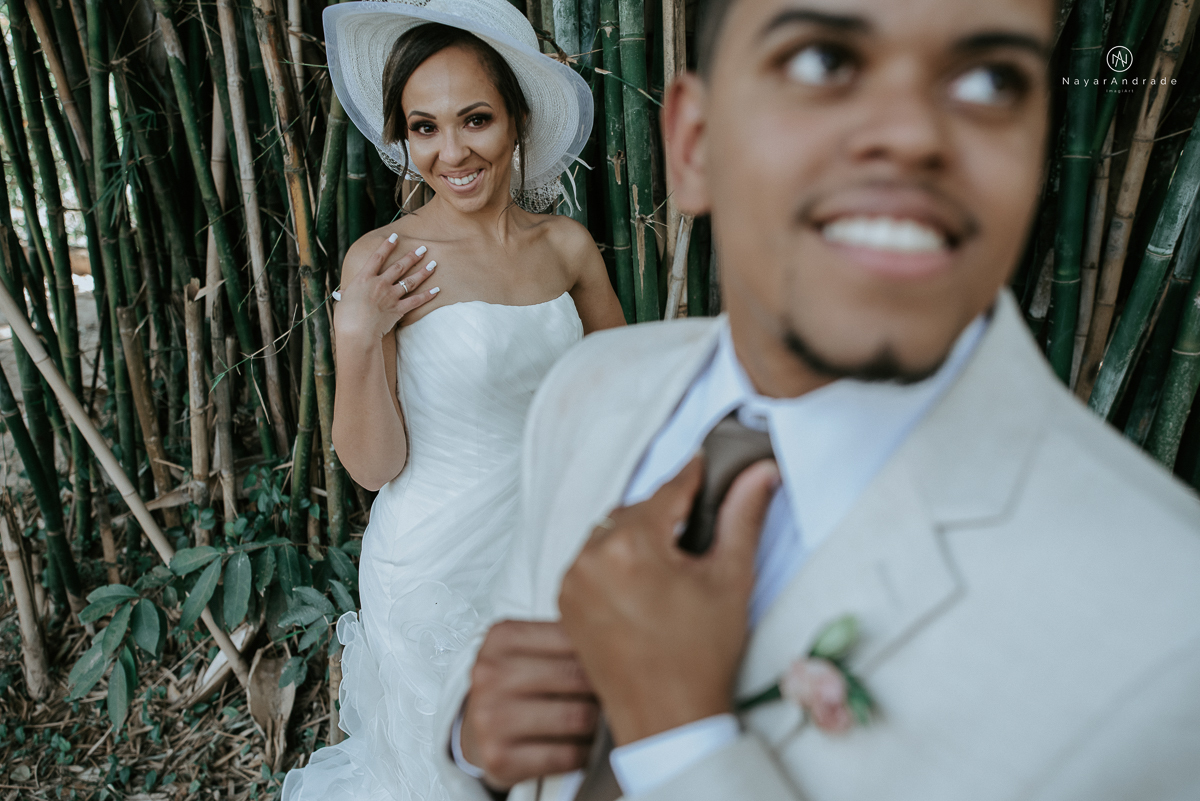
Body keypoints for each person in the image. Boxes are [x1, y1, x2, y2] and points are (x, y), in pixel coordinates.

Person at [432, 0, 1200, 799]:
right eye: (821, 62)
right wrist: (474, 740)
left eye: (990, 78)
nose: (912, 135)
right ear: (695, 145)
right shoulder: (592, 386)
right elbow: (501, 653)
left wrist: (681, 740)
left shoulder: (1171, 631)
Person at [282, 1, 624, 799]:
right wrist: (358, 333)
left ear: (516, 120)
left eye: (475, 119)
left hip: (552, 549)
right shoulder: (385, 259)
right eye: (424, 127)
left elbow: (618, 399)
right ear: (404, 138)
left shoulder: (567, 248)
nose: (452, 152)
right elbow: (373, 465)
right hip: (433, 569)